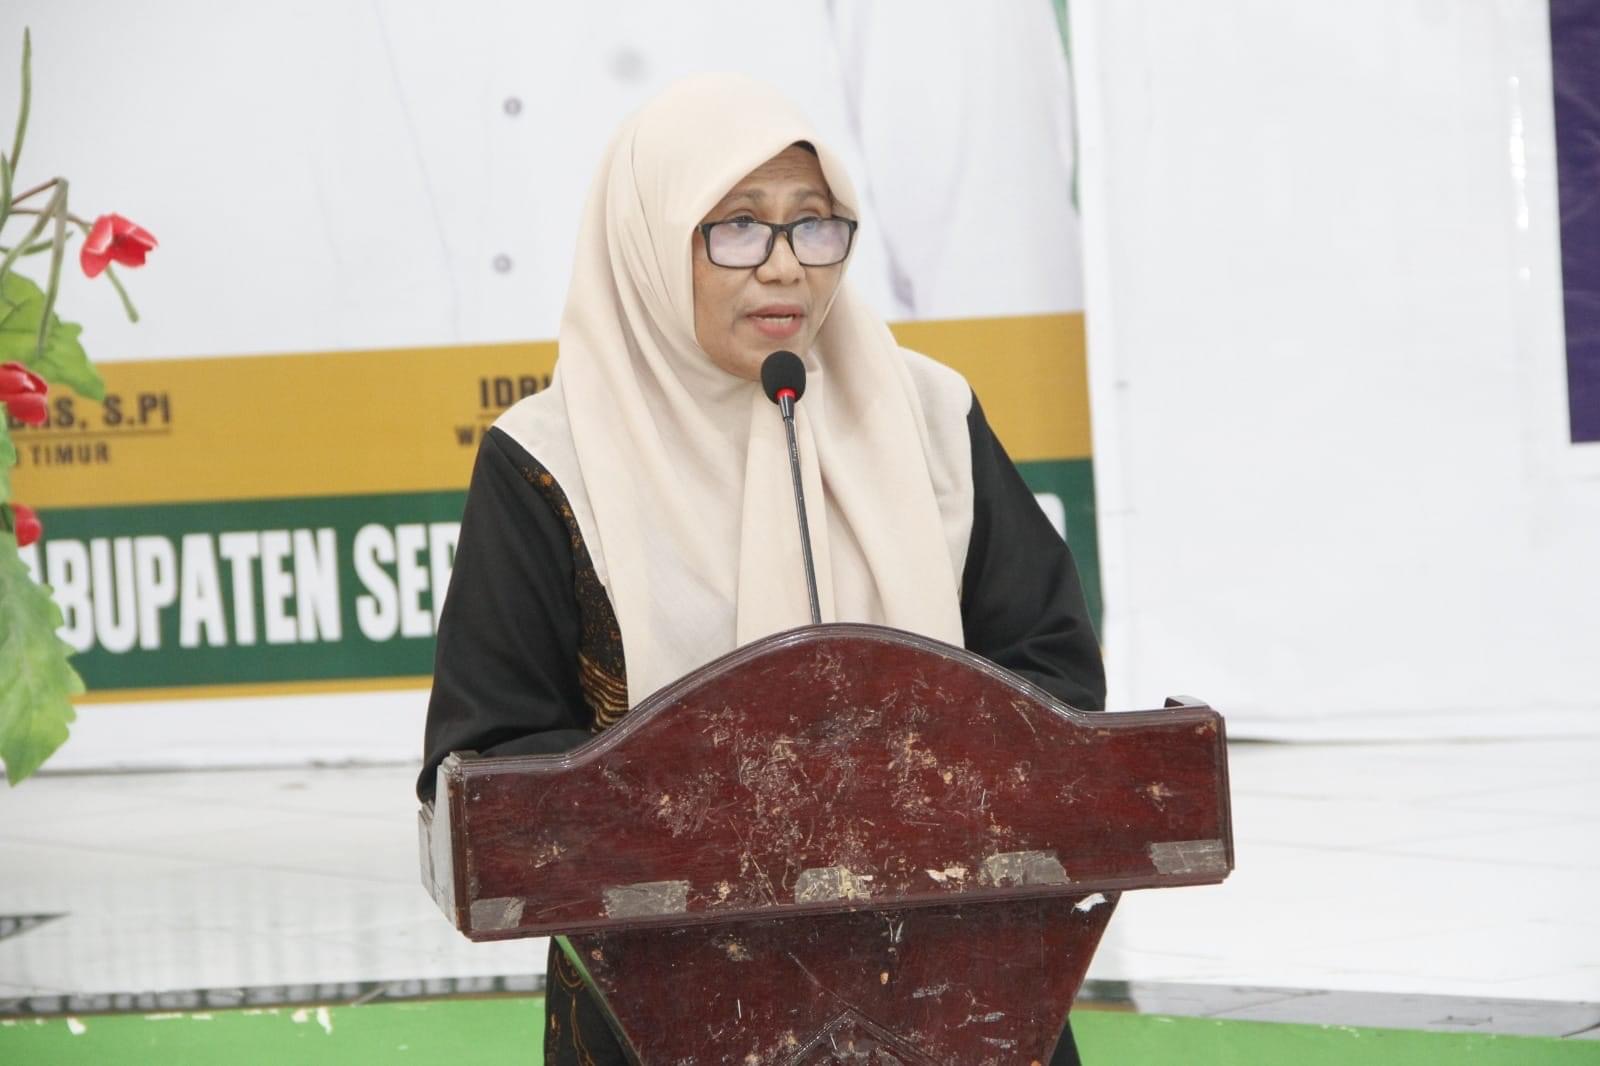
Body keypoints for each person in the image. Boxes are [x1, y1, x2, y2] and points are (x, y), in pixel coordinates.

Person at [417, 73, 1105, 1066]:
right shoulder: (549, 461)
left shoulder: (926, 415)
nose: (785, 267)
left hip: (951, 971)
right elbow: (489, 753)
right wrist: (742, 805)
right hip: (664, 988)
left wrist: (880, 785)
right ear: (652, 242)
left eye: (814, 225)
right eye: (738, 227)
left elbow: (1054, 675)